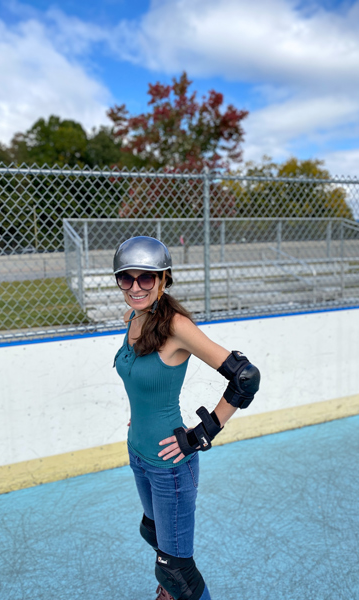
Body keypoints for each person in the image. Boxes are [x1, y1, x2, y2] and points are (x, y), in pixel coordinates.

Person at [113, 236, 260, 600]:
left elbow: (246, 378)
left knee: (178, 571)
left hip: (170, 465)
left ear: (163, 279)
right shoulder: (133, 317)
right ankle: (169, 593)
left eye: (146, 278)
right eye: (126, 278)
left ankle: (175, 590)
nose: (135, 287)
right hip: (138, 453)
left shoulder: (177, 326)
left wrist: (200, 435)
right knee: (154, 534)